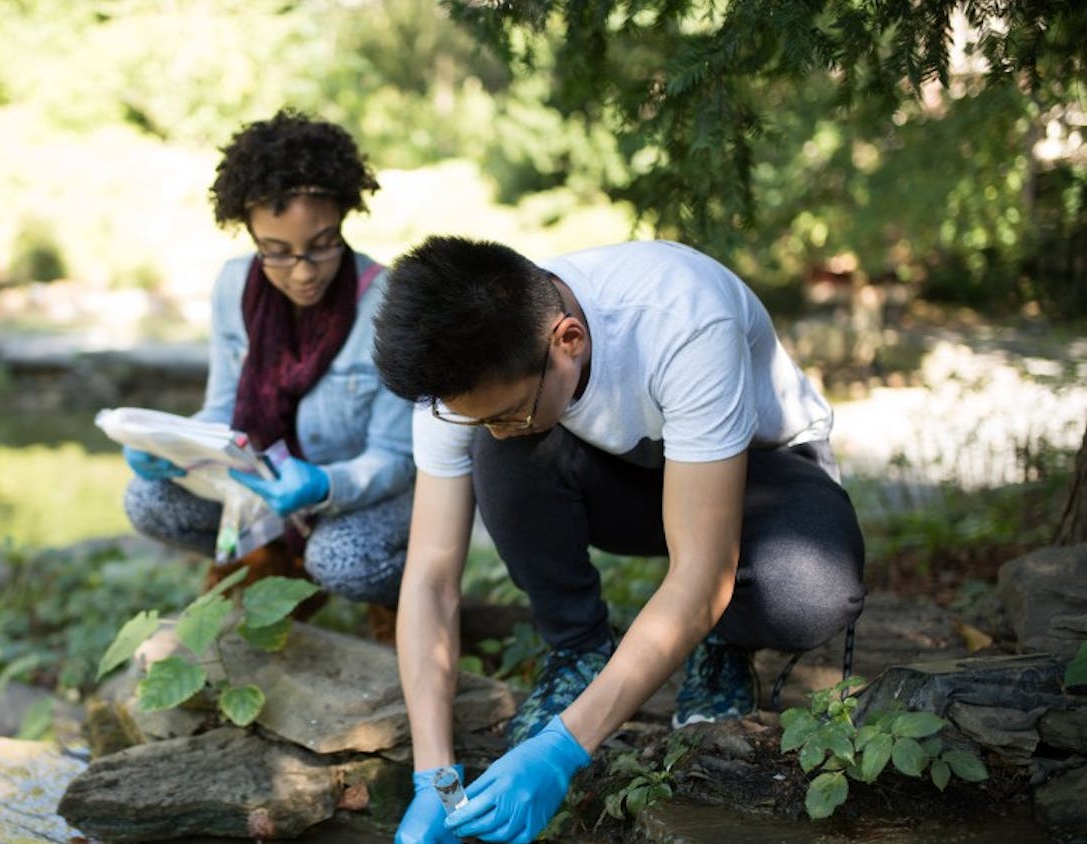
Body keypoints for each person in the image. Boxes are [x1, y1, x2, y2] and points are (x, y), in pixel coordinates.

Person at [373, 236, 865, 843]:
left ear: (568, 341)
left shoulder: (682, 318)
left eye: (509, 413)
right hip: (627, 476)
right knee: (499, 453)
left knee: (806, 592)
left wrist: (563, 748)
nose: (498, 431)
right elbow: (430, 577)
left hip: (762, 476)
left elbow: (703, 569)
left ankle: (723, 644)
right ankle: (578, 650)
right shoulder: (462, 368)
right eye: (478, 415)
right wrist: (435, 777)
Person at [122, 109, 414, 610]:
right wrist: (172, 448)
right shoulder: (233, 286)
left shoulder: (388, 302)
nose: (302, 272)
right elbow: (222, 412)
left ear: (344, 220)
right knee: (147, 499)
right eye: (276, 251)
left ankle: (410, 601)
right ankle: (277, 568)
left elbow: (397, 460)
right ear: (250, 234)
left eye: (322, 246)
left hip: (361, 492)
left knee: (342, 559)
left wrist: (325, 485)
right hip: (267, 490)